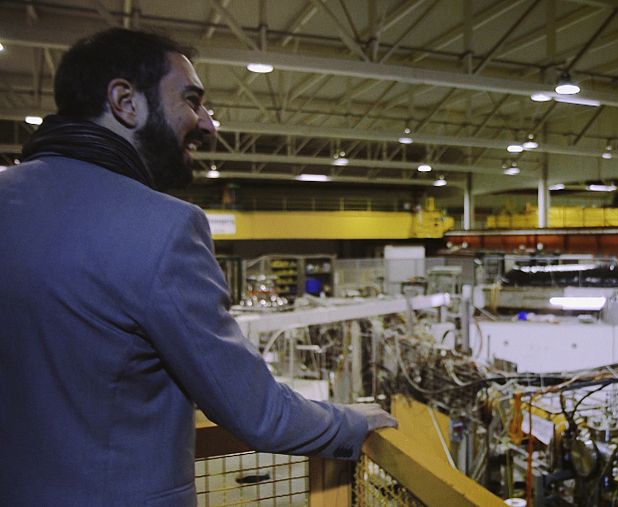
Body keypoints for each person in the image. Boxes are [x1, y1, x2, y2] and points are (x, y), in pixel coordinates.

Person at [0, 28, 396, 506]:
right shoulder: (163, 227)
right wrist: (351, 423)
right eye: (191, 100)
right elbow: (258, 413)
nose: (208, 124)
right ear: (126, 101)